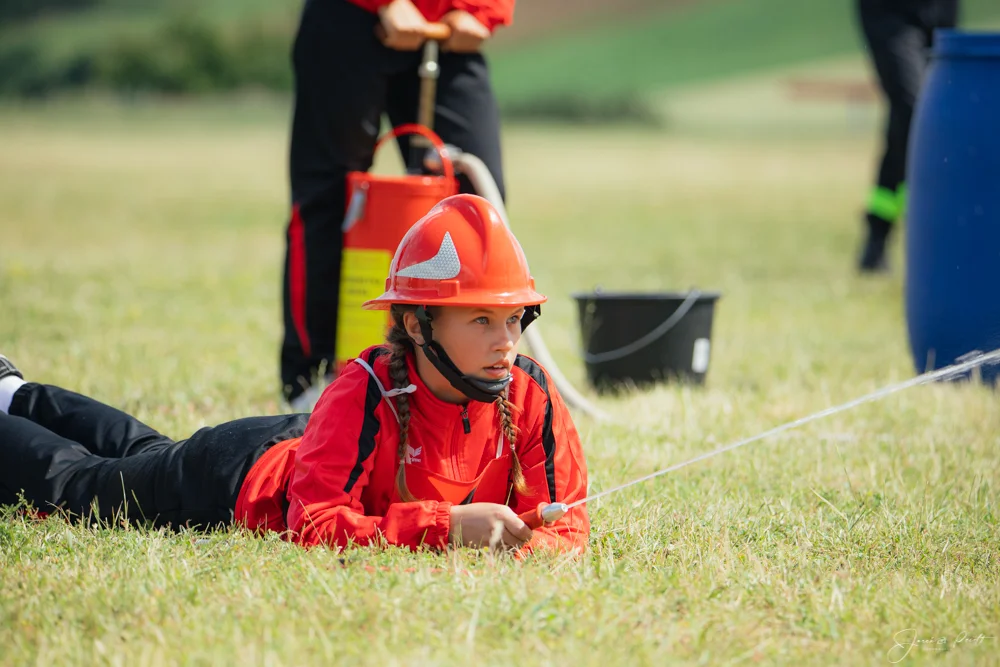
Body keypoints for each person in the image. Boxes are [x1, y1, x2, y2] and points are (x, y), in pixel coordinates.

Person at [0, 195, 589, 554]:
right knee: (87, 488)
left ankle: (11, 390)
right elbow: (315, 525)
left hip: (305, 448)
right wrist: (446, 527)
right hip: (234, 480)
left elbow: (568, 531)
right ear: (416, 324)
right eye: (482, 319)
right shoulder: (365, 389)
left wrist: (520, 550)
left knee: (144, 450)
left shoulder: (530, 393)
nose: (506, 341)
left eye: (515, 318)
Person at [281, 0, 513, 410]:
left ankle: (465, 375)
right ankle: (310, 384)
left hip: (451, 26)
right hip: (351, 18)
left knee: (476, 199)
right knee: (329, 200)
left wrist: (481, 9)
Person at [855, 0, 959, 272]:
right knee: (915, 111)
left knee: (905, 124)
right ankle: (931, 239)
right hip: (889, 11)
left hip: (939, 10)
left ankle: (877, 238)